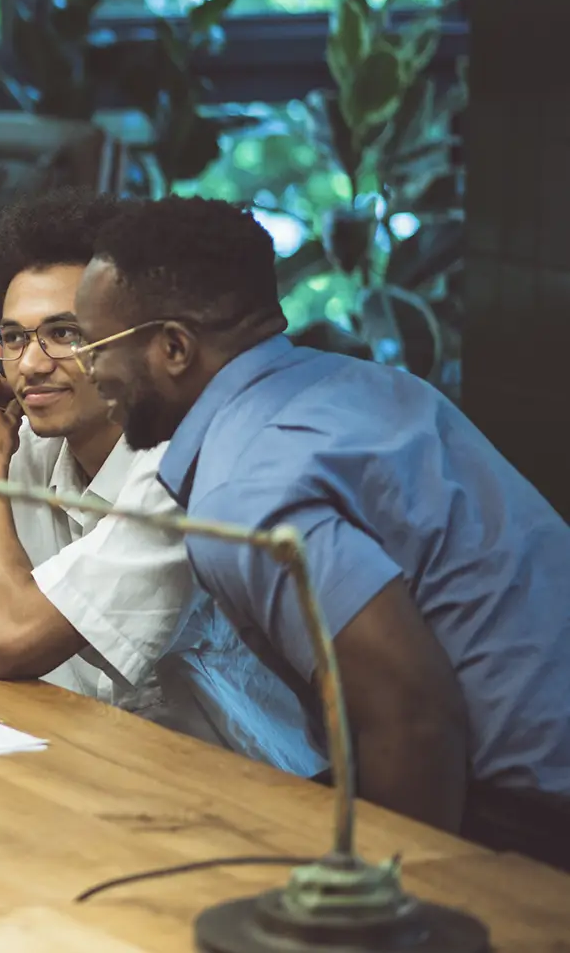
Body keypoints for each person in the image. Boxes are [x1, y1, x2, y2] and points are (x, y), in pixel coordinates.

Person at [72, 195, 570, 862]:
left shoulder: (243, 492)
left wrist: (381, 910)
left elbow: (411, 720)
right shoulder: (364, 385)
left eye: (93, 344)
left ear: (173, 347)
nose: (85, 369)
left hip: (527, 811)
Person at [0, 190, 319, 774]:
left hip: (231, 785)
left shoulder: (178, 464)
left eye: (65, 334)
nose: (30, 364)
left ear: (126, 340)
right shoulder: (19, 439)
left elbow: (13, 640)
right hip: (69, 759)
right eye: (14, 338)